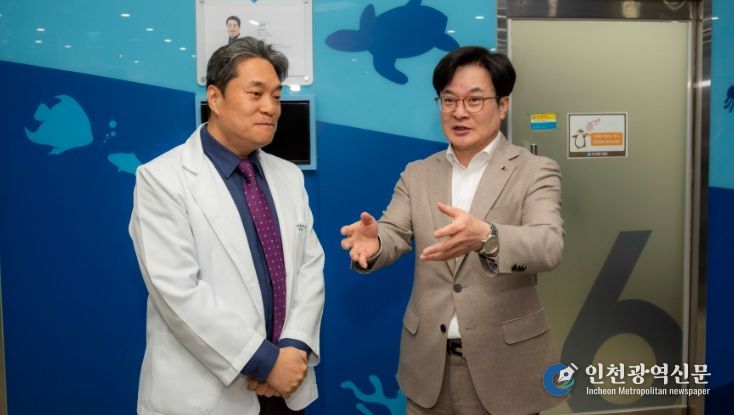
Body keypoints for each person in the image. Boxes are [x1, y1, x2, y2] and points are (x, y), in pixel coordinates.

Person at [340, 46, 564, 415]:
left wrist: (488, 237)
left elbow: (548, 244)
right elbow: (394, 232)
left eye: (474, 100)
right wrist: (376, 242)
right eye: (449, 100)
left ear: (503, 105)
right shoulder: (418, 173)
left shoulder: (534, 170)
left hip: (505, 367)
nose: (459, 112)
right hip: (428, 367)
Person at [130, 37, 324, 415]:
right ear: (215, 98)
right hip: (207, 396)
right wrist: (265, 361)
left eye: (276, 96)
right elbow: (177, 292)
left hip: (287, 387)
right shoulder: (161, 179)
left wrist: (295, 346)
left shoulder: (288, 176)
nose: (271, 108)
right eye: (256, 93)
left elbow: (309, 267)